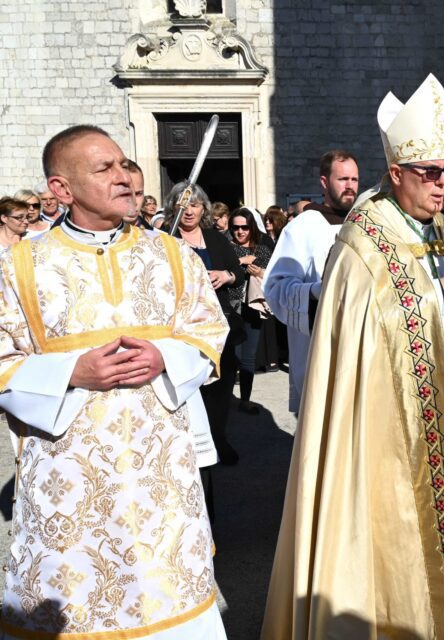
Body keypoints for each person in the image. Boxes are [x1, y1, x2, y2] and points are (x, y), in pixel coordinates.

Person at [261, 73, 444, 639]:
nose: (442, 184)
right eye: (428, 173)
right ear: (395, 173)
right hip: (386, 421)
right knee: (394, 528)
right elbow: (360, 326)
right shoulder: (362, 237)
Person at [0, 125, 229, 637]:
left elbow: (209, 330)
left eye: (125, 165)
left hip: (161, 479)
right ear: (61, 188)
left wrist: (165, 356)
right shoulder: (18, 267)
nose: (124, 177)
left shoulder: (172, 256)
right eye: (105, 169)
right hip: (70, 483)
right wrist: (70, 372)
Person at [262, 149, 360, 413]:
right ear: (324, 182)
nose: (350, 186)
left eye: (354, 179)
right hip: (321, 355)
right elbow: (274, 287)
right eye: (343, 179)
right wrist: (318, 291)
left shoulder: (366, 226)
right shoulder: (303, 227)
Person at [166, 181, 246, 465]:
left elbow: (239, 272)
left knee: (221, 387)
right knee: (188, 387)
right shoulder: (164, 237)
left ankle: (218, 438)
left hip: (217, 324)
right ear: (173, 206)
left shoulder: (215, 238)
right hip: (180, 327)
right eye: (183, 204)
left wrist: (227, 276)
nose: (189, 211)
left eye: (195, 205)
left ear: (204, 209)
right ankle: (189, 444)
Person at [228, 206, 274, 414]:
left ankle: (245, 400)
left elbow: (271, 273)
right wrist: (241, 261)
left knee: (248, 358)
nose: (240, 232)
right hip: (231, 308)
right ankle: (226, 400)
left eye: (244, 227)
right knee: (231, 357)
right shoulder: (226, 247)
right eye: (236, 227)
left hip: (253, 307)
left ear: (251, 228)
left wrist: (261, 272)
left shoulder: (262, 250)